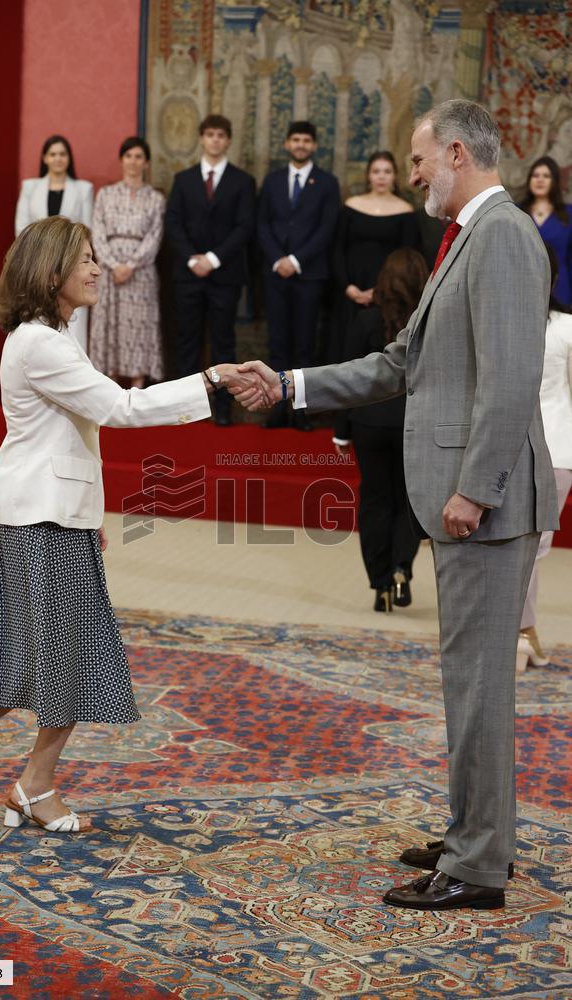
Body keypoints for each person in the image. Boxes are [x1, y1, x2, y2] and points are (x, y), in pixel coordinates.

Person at [234, 100, 558, 911]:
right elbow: (398, 361)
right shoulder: (468, 238)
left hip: (483, 504)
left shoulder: (506, 237)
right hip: (466, 500)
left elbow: (512, 379)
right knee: (468, 682)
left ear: (455, 153)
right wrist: (289, 385)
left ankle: (479, 867)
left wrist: (474, 489)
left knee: (479, 686)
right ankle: (476, 834)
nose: (411, 175)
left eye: (418, 160)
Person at [0, 217, 263, 833]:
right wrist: (209, 378)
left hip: (49, 515)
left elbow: (71, 436)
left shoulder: (50, 335)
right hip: (41, 518)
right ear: (50, 273)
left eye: (97, 258)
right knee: (71, 659)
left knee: (30, 658)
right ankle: (32, 788)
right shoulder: (41, 342)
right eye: (86, 259)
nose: (97, 268)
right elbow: (117, 408)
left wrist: (85, 516)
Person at [334, 248, 429, 612]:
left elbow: (347, 377)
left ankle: (380, 584)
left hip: (369, 423)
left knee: (375, 500)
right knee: (407, 499)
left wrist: (341, 430)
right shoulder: (429, 319)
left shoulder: (364, 321)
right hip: (413, 423)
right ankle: (402, 565)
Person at [165, 114, 256, 425]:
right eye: (210, 134)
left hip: (224, 276)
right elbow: (173, 223)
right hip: (188, 275)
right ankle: (186, 409)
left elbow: (245, 226)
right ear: (201, 139)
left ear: (228, 140)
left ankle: (223, 410)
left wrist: (213, 259)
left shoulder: (243, 181)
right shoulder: (183, 179)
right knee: (187, 341)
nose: (215, 140)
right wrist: (193, 259)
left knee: (223, 343)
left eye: (221, 135)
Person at [257, 121, 340, 429]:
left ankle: (301, 412)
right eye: (296, 139)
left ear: (314, 145)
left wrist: (295, 259)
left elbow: (326, 228)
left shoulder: (328, 182)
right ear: (287, 144)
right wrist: (279, 259)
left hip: (309, 275)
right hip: (275, 274)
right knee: (277, 343)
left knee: (305, 345)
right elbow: (261, 224)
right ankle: (278, 409)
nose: (301, 144)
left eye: (307, 140)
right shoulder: (273, 180)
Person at [518, 243, 572, 670]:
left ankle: (521, 631)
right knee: (522, 547)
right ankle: (521, 632)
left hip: (547, 446)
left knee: (528, 546)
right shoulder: (501, 322)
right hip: (519, 448)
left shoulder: (565, 327)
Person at [328, 151, 419, 367]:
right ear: (368, 175)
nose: (381, 176)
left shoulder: (406, 212)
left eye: (387, 171)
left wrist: (379, 291)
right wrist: (347, 286)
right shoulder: (351, 206)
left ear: (395, 176)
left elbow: (408, 259)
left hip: (387, 295)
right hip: (349, 291)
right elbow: (336, 250)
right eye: (376, 171)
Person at [90, 137, 165, 387]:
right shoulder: (106, 195)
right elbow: (97, 233)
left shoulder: (155, 199)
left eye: (139, 157)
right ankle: (108, 386)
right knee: (110, 324)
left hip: (140, 273)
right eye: (129, 156)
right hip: (109, 272)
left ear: (147, 163)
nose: (133, 162)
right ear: (121, 160)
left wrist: (131, 265)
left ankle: (138, 385)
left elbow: (154, 237)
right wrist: (112, 264)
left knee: (140, 327)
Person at [15, 135, 94, 350]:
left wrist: (65, 257)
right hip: (37, 266)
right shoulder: (30, 188)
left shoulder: (83, 189)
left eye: (62, 154)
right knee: (37, 320)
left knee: (73, 326)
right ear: (45, 158)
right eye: (53, 154)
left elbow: (86, 230)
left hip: (72, 266)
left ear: (69, 158)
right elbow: (22, 229)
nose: (58, 158)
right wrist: (43, 256)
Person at [521, 156, 572, 306]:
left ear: (554, 181)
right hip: (523, 285)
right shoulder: (516, 212)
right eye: (535, 175)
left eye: (546, 176)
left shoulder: (569, 214)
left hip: (560, 287)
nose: (540, 180)